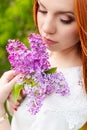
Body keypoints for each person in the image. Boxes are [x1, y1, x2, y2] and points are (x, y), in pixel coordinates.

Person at [0, 0, 87, 129]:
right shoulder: (50, 50)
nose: (47, 28)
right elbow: (21, 115)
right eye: (43, 10)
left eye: (65, 19)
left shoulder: (67, 99)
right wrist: (16, 97)